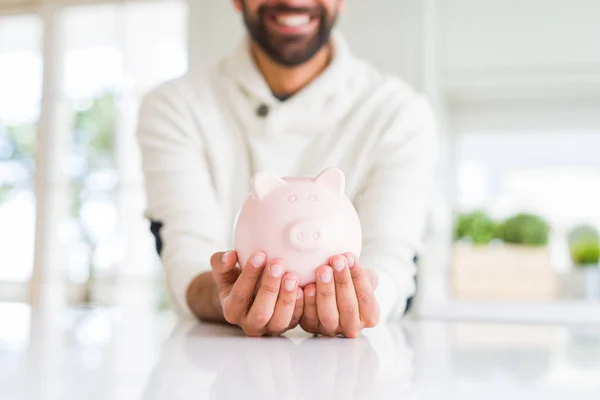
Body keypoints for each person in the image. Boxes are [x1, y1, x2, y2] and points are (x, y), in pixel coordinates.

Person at [136, 0, 438, 338]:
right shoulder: (175, 106)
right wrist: (227, 296)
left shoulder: (398, 113)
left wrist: (362, 301)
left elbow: (391, 259)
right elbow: (188, 256)